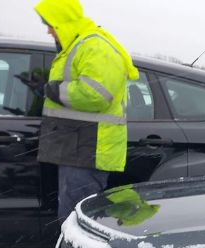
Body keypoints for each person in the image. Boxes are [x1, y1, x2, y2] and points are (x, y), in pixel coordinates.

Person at [34, 0, 139, 220]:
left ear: (62, 23)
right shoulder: (79, 45)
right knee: (72, 214)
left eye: (50, 24)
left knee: (77, 219)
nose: (48, 31)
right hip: (78, 146)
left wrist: (52, 90)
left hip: (89, 147)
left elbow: (96, 95)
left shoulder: (95, 47)